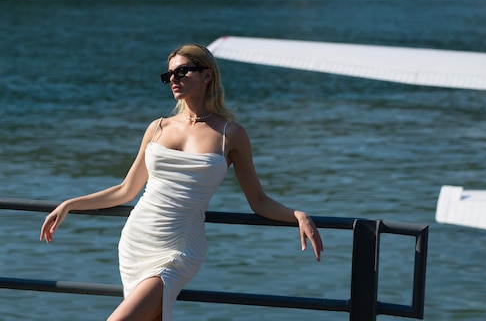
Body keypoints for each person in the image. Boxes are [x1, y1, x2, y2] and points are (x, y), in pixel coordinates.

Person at [40, 43, 324, 321]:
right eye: (169, 75)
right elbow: (126, 190)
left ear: (207, 75)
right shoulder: (158, 127)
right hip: (137, 242)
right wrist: (70, 204)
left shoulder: (231, 133)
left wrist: (297, 214)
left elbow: (258, 201)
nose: (173, 80)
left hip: (179, 249)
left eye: (182, 72)